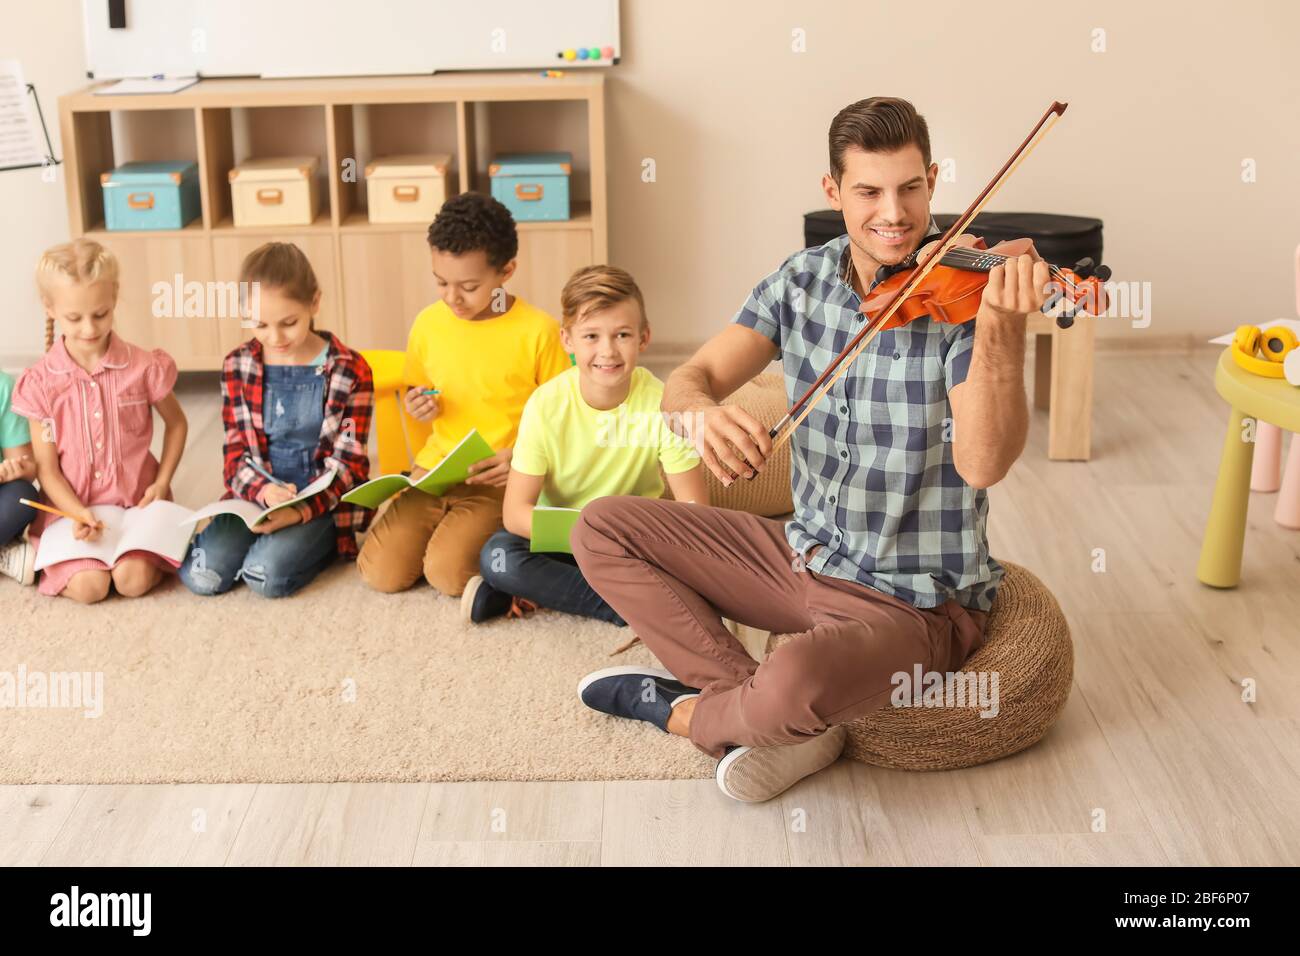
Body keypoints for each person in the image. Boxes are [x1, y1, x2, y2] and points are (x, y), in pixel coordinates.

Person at [572, 97, 1050, 802]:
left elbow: (984, 463)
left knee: (796, 678)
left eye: (910, 188)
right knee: (601, 527)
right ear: (833, 192)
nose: (894, 213)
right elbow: (690, 380)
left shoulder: (966, 298)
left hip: (909, 605)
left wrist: (1005, 328)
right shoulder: (801, 281)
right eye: (869, 192)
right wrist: (703, 415)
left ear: (934, 180)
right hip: (800, 555)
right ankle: (762, 709)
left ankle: (685, 710)